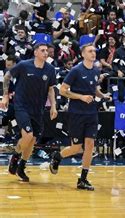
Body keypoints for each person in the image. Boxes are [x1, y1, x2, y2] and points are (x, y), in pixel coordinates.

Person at [49, 43, 111, 191]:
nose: (93, 54)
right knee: (77, 147)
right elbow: (63, 91)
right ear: (83, 54)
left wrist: (103, 96)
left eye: (94, 51)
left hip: (92, 113)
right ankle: (57, 156)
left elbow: (94, 89)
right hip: (77, 113)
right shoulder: (76, 71)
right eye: (90, 51)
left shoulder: (96, 71)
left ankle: (83, 179)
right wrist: (81, 97)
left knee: (90, 145)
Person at [0, 43, 58, 182]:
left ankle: (22, 167)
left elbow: (51, 89)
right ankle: (14, 157)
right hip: (22, 106)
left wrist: (54, 107)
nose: (46, 53)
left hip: (38, 109)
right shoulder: (24, 65)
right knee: (27, 135)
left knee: (32, 140)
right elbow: (7, 76)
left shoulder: (50, 69)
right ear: (36, 52)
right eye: (42, 50)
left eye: (47, 51)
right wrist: (5, 95)